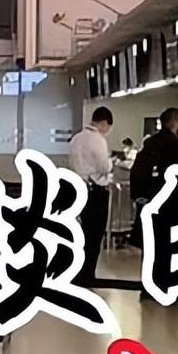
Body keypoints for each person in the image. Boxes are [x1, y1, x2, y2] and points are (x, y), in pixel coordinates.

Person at [67, 105, 114, 284]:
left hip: (78, 188)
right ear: (104, 123)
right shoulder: (98, 140)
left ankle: (76, 272)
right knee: (94, 235)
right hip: (96, 192)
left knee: (80, 234)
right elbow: (104, 166)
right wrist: (110, 164)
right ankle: (88, 275)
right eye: (108, 127)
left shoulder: (76, 139)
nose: (107, 131)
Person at [129, 106, 178, 247]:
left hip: (145, 194)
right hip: (162, 196)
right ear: (174, 122)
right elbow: (173, 171)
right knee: (161, 239)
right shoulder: (173, 142)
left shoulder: (151, 141)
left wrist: (137, 193)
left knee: (147, 238)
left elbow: (138, 168)